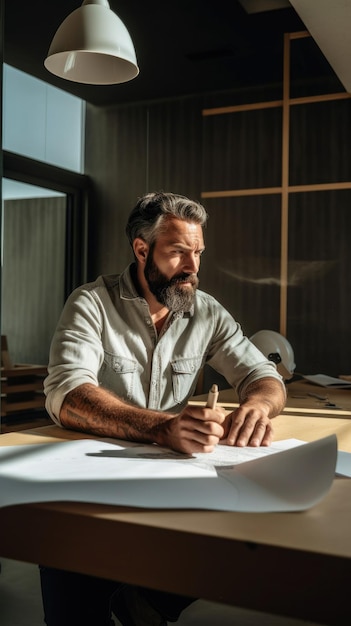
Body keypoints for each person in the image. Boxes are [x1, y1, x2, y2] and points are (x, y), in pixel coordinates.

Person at [41, 191, 286, 626]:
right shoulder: (91, 303)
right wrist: (161, 428)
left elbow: (264, 377)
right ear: (141, 249)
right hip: (88, 487)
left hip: (169, 480)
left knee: (245, 535)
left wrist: (258, 406)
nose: (192, 268)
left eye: (197, 253)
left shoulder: (206, 311)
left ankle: (146, 602)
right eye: (177, 252)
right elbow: (68, 393)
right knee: (77, 605)